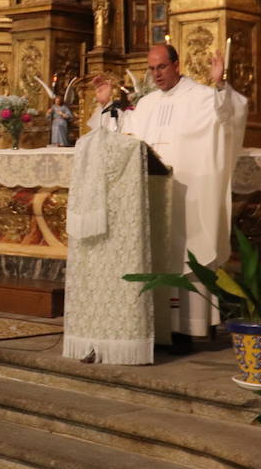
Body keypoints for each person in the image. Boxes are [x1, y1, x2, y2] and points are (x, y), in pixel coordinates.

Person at [95, 44, 248, 340]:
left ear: (176, 65)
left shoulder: (201, 97)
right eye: (152, 69)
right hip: (155, 194)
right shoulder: (148, 103)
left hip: (189, 195)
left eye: (162, 67)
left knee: (189, 251)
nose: (156, 74)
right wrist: (106, 106)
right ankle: (159, 326)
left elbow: (229, 115)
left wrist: (220, 84)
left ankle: (189, 326)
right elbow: (124, 135)